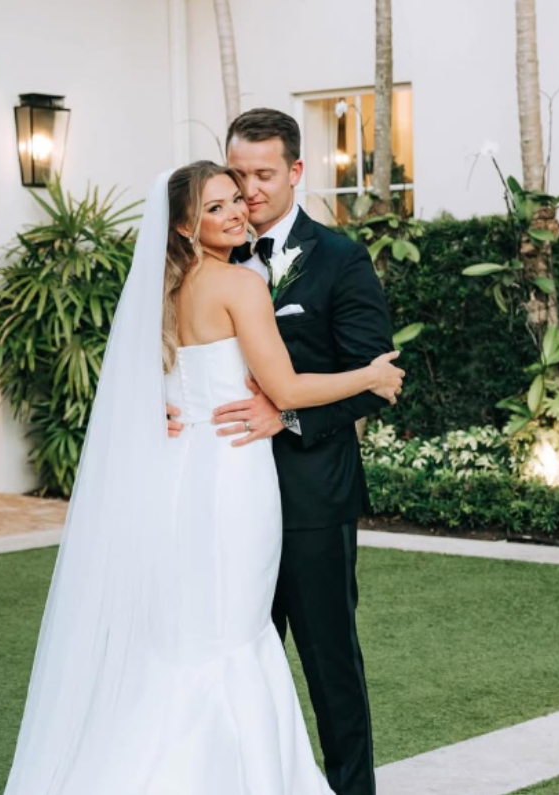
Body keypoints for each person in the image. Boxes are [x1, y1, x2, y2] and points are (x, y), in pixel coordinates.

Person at [0, 162, 404, 795]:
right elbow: (288, 387)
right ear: (186, 226)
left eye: (235, 200)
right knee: (234, 633)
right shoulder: (241, 284)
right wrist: (371, 377)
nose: (237, 212)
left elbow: (154, 388)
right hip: (234, 479)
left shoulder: (164, 293)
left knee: (201, 632)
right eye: (215, 208)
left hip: (186, 477)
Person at [168, 109, 396, 795]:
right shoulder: (202, 258)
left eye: (264, 175)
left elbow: (373, 376)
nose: (249, 192)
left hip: (309, 500)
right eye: (237, 176)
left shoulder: (339, 258)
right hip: (221, 500)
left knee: (331, 667)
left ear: (297, 172)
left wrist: (288, 411)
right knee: (227, 660)